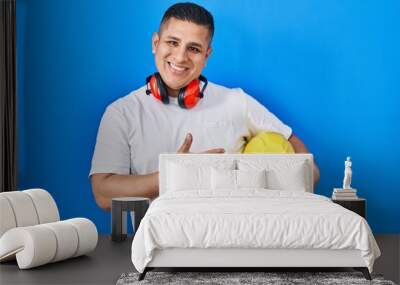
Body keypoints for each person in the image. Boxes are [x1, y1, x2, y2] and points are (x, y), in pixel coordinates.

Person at [89, 3, 320, 211]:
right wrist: (178, 174)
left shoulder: (237, 102)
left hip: (236, 244)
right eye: (172, 42)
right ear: (155, 44)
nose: (180, 57)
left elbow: (311, 170)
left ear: (206, 56)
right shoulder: (121, 113)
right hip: (157, 250)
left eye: (194, 49)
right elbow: (102, 193)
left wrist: (245, 177)